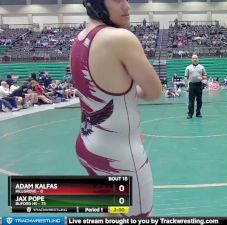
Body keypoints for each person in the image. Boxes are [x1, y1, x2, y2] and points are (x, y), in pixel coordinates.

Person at [70, 0, 162, 217]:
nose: (127, 7)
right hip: (119, 157)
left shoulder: (80, 39)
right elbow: (154, 91)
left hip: (89, 145)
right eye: (118, 0)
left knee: (112, 213)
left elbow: (99, 96)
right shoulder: (119, 38)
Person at [184, 54, 207, 119]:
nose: (195, 59)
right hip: (191, 85)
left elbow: (205, 76)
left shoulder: (202, 67)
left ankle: (198, 113)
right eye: (193, 58)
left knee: (199, 100)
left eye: (196, 58)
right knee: (191, 100)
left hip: (199, 85)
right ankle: (190, 114)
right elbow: (186, 77)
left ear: (198, 59)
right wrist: (186, 86)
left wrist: (202, 77)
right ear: (191, 59)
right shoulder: (188, 67)